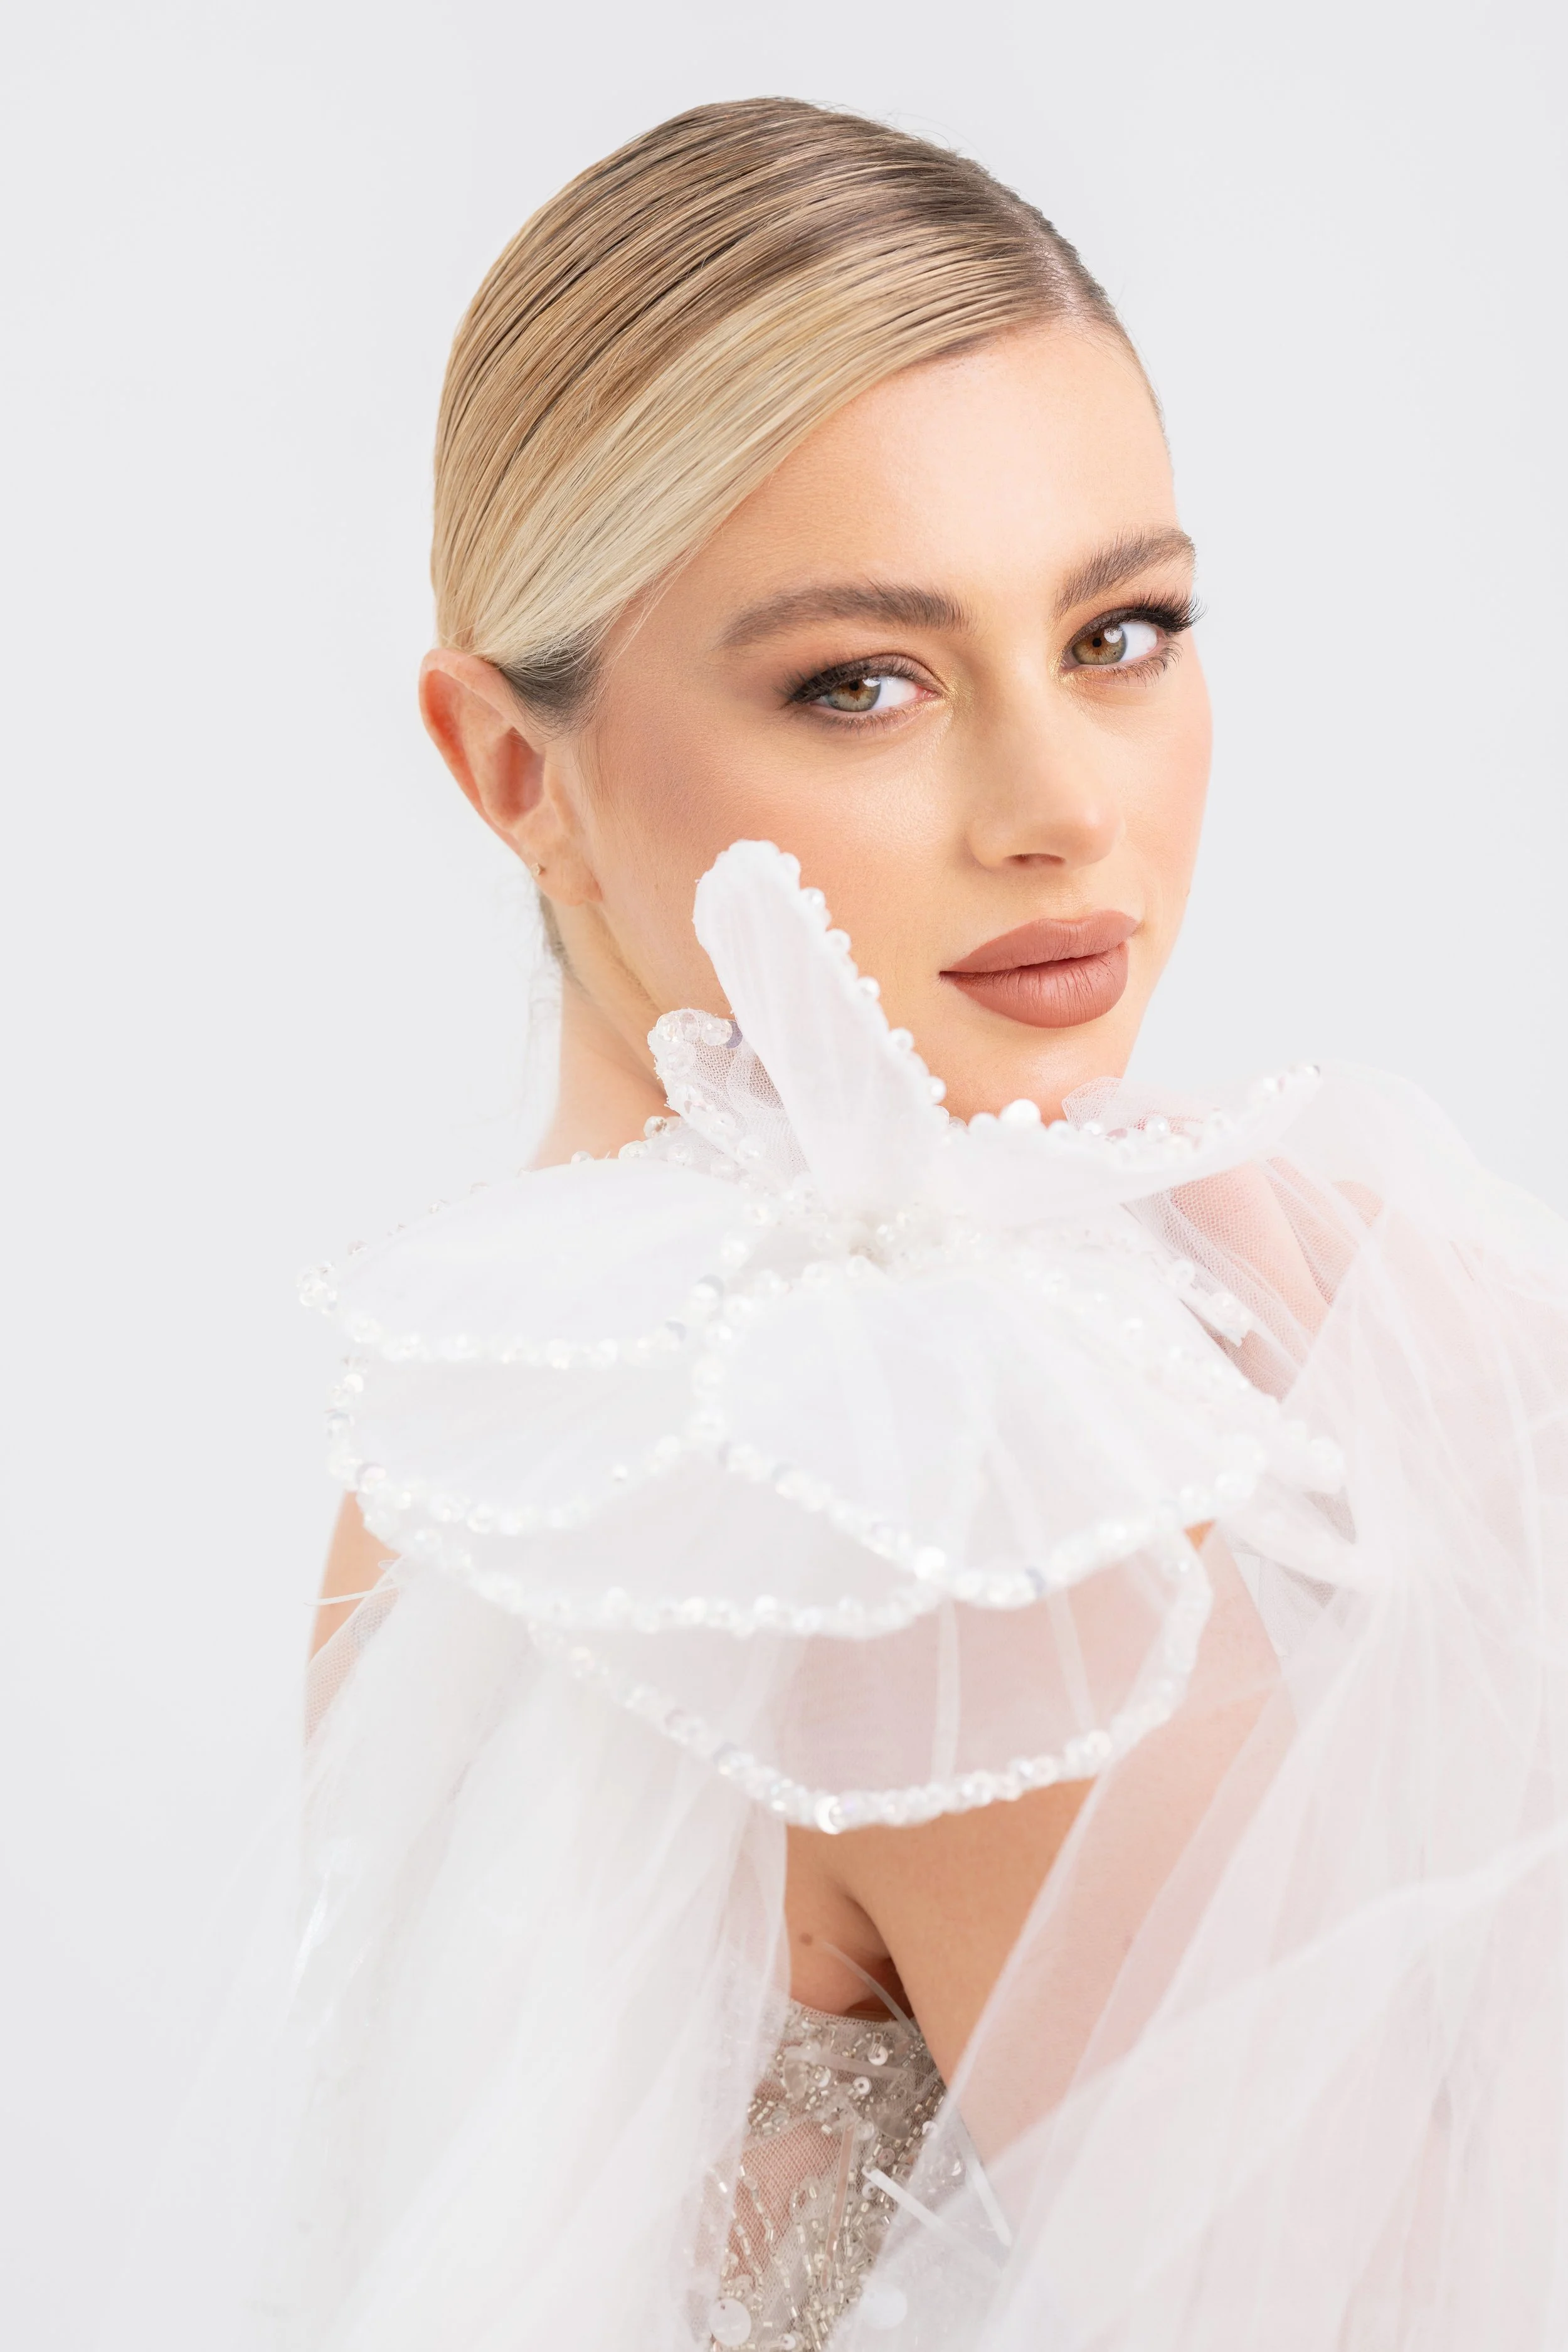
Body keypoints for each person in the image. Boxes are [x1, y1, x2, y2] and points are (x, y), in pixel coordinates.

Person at [285, 98, 1568, 2350]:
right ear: (510, 769)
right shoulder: (932, 1471)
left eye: (1123, 629)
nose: (1062, 805)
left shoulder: (472, 1443)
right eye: (859, 680)